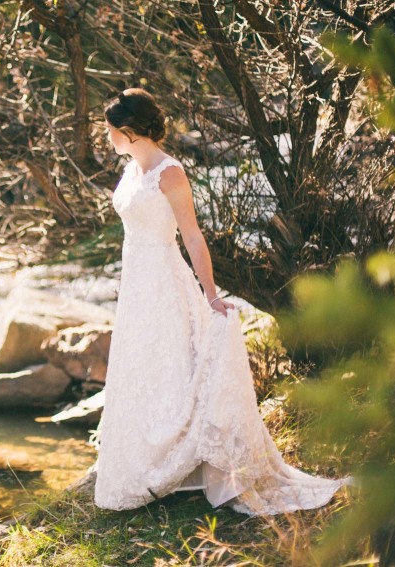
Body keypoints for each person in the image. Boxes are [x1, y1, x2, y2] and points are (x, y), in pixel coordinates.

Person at [91, 87, 349, 515]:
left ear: (130, 131)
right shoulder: (132, 170)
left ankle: (181, 459)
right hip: (136, 282)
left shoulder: (169, 173)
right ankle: (147, 464)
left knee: (175, 359)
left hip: (163, 277)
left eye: (111, 131)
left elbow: (191, 234)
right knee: (143, 366)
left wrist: (210, 293)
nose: (107, 138)